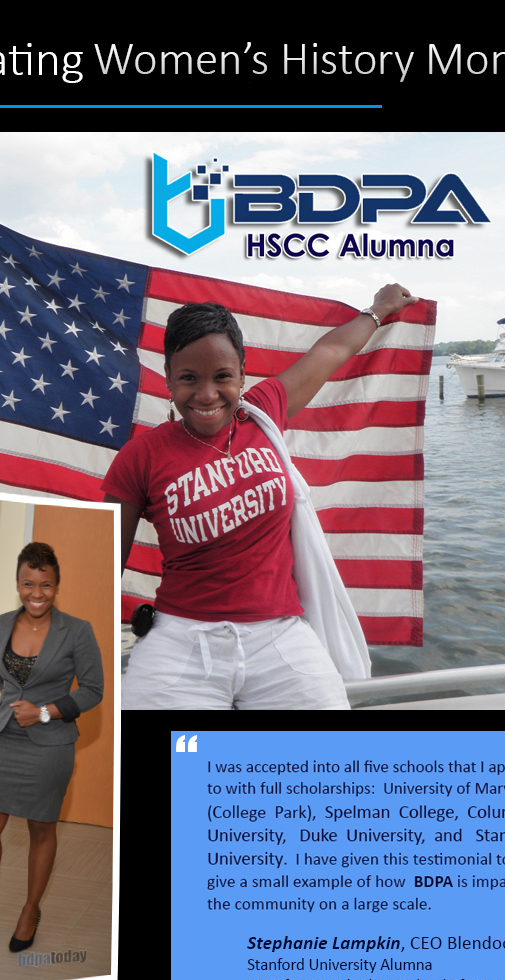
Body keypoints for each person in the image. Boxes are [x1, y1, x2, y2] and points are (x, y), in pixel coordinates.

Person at [102, 285, 418, 711]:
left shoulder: (264, 412)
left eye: (222, 377)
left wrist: (379, 309)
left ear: (242, 374)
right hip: (181, 639)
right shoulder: (141, 456)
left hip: (280, 635)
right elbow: (102, 566)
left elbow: (330, 351)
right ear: (168, 376)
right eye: (189, 378)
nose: (207, 395)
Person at [0, 542, 104, 952]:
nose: (36, 593)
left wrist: (44, 712)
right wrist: (18, 711)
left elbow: (94, 691)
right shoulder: (0, 624)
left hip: (49, 742)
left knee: (41, 829)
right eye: (28, 584)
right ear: (18, 583)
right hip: (4, 736)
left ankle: (29, 910)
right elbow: (7, 684)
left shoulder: (77, 631)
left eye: (46, 585)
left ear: (57, 586)